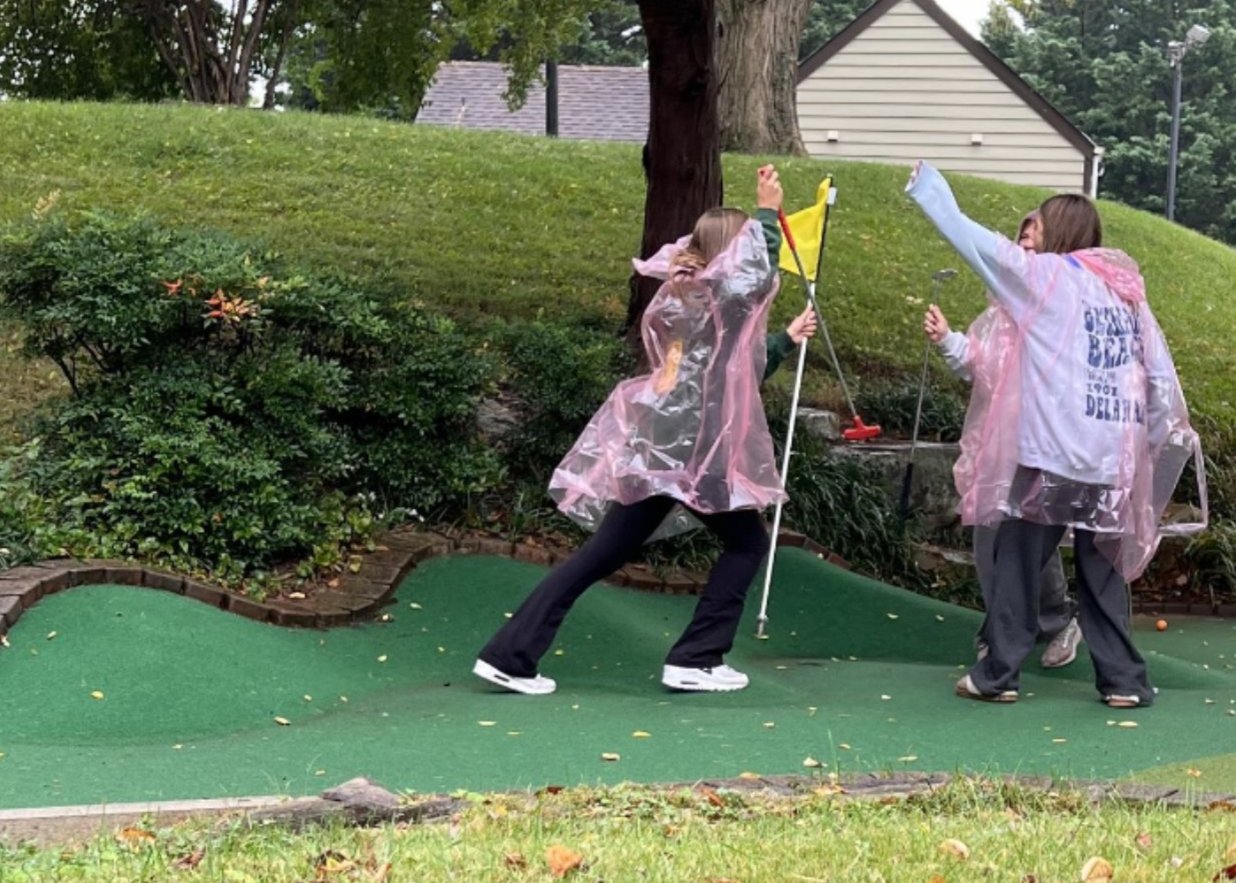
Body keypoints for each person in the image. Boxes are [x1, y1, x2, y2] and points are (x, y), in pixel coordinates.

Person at [475, 166, 792, 695]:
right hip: (697, 450)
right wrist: (766, 211)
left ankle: (510, 654)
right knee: (747, 545)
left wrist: (782, 338)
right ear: (734, 253)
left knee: (602, 554)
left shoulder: (685, 294)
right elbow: (759, 277)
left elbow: (736, 354)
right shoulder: (721, 296)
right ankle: (696, 657)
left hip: (660, 445)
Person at [907, 161, 1201, 708]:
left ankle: (999, 673)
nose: (1031, 234)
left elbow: (976, 243)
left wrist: (931, 190)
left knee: (1017, 560)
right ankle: (1124, 682)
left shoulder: (1043, 280)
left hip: (1053, 456)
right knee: (1104, 570)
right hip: (1114, 460)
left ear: (1057, 232)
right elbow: (1160, 379)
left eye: (1039, 225)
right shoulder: (1129, 295)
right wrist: (1151, 443)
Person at [922, 211, 1082, 669]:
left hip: (1039, 440)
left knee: (1031, 535)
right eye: (1021, 243)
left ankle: (1054, 618)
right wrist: (949, 338)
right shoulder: (997, 312)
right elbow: (980, 365)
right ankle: (1004, 625)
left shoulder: (1056, 308)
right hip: (993, 438)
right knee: (986, 530)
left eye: (1035, 244)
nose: (1024, 251)